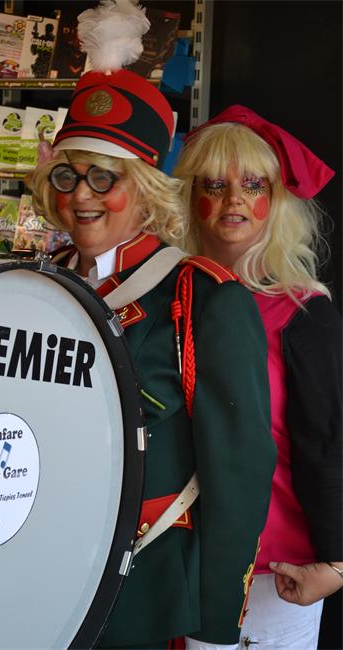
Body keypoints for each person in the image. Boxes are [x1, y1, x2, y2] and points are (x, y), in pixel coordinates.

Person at [28, 3, 276, 647]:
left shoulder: (204, 300)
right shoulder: (35, 290)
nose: (80, 195)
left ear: (142, 186)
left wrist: (214, 626)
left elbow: (240, 474)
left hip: (143, 590)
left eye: (103, 177)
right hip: (36, 573)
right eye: (67, 175)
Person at [175, 104, 342, 649]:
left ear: (276, 199)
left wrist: (337, 560)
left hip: (273, 573)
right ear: (190, 197)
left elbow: (327, 443)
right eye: (214, 184)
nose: (234, 200)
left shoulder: (303, 312)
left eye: (253, 185)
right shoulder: (162, 300)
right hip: (168, 562)